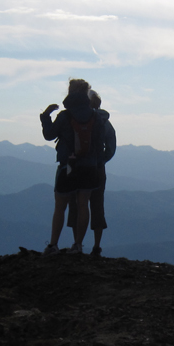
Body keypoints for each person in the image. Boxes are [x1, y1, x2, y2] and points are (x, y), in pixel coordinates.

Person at [40, 79, 105, 254]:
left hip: (68, 167)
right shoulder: (95, 117)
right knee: (83, 204)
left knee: (60, 206)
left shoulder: (65, 116)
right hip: (90, 167)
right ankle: (78, 245)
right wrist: (97, 164)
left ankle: (53, 245)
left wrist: (45, 116)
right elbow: (99, 145)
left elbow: (48, 135)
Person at [66, 89, 116, 257]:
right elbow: (111, 147)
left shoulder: (76, 119)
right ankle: (96, 247)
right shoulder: (105, 122)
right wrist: (100, 161)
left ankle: (77, 243)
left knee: (77, 205)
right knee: (97, 205)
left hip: (77, 167)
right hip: (97, 169)